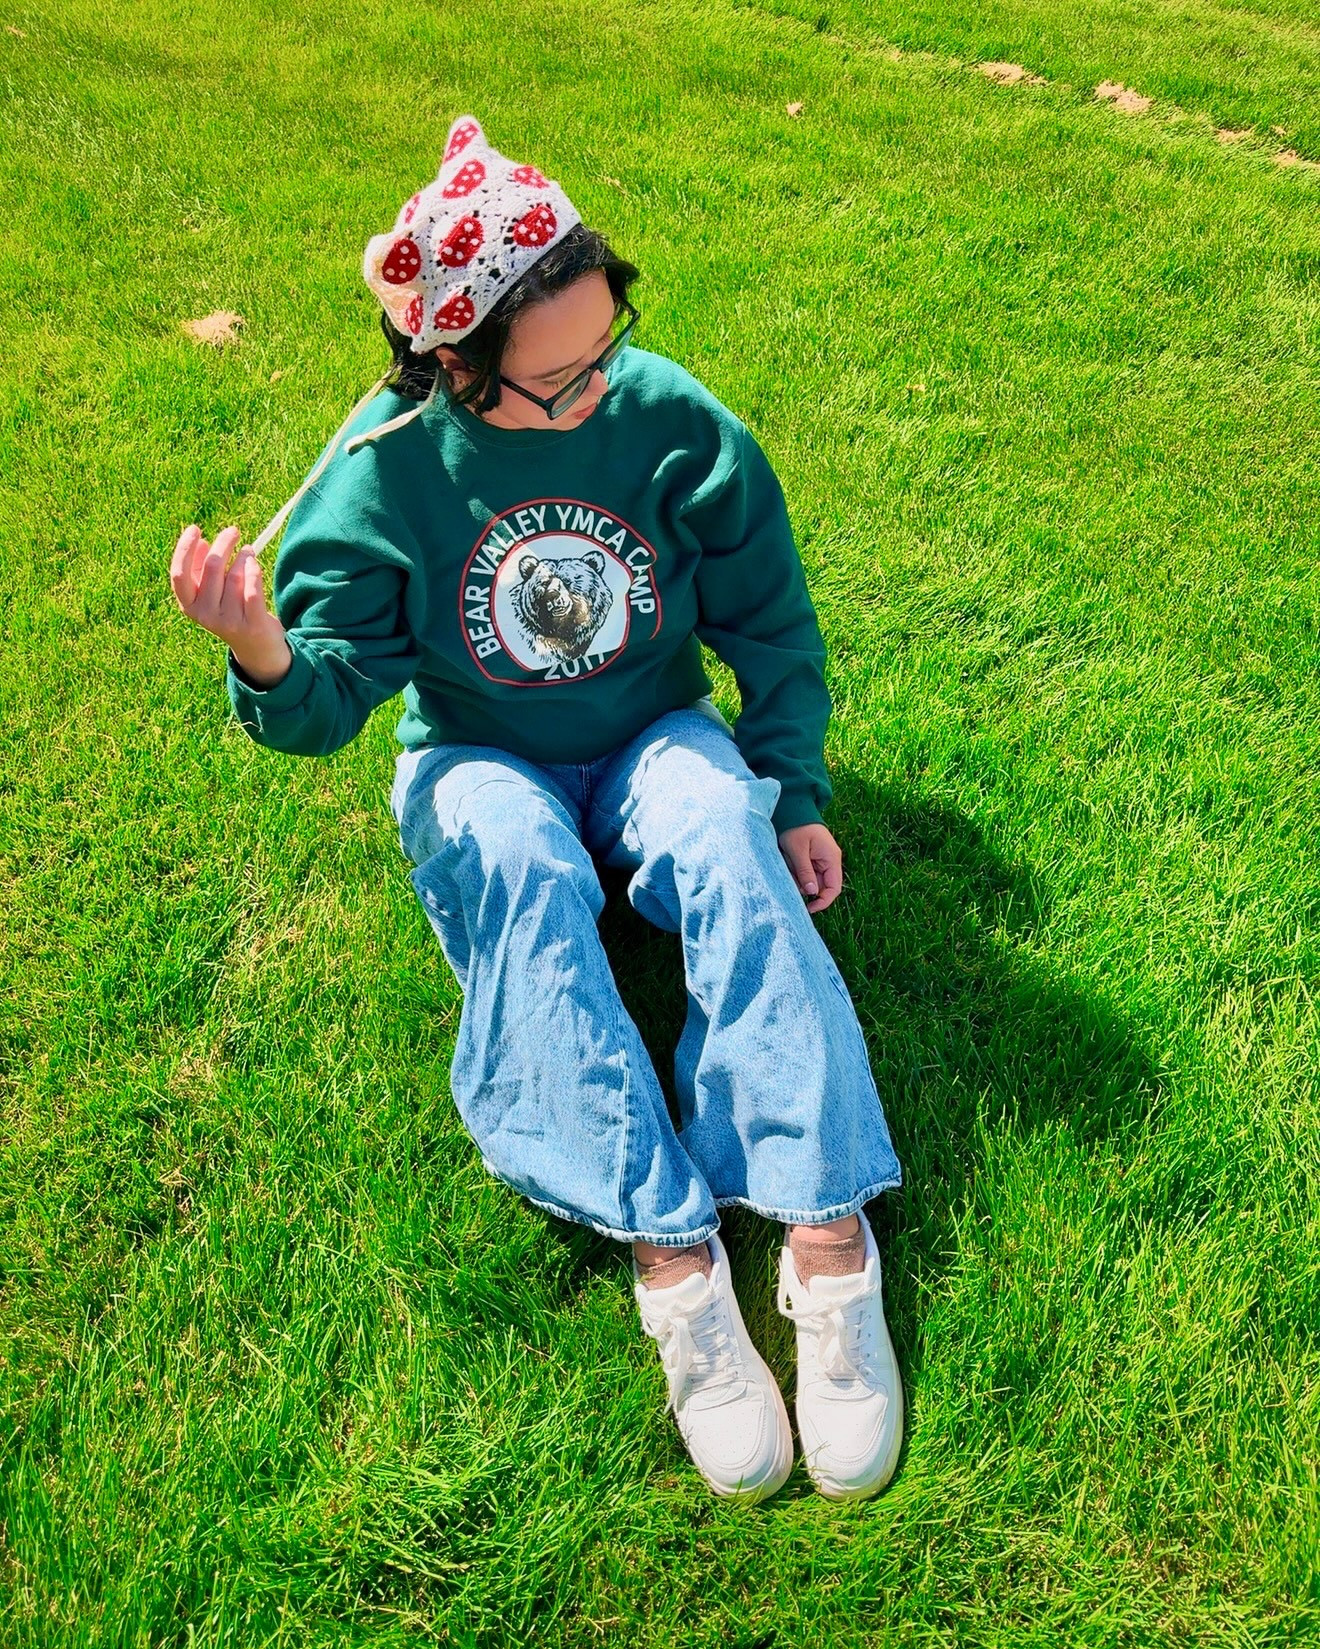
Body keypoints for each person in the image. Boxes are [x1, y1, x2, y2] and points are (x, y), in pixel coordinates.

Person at [169, 115, 905, 1503]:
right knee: (512, 859)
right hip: (480, 752)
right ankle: (674, 1257)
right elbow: (326, 704)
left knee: (720, 827)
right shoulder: (379, 476)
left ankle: (822, 1233)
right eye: (555, 382)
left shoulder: (675, 421)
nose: (596, 393)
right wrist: (262, 649)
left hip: (650, 730)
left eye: (606, 349)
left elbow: (770, 623)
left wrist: (791, 787)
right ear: (452, 367)